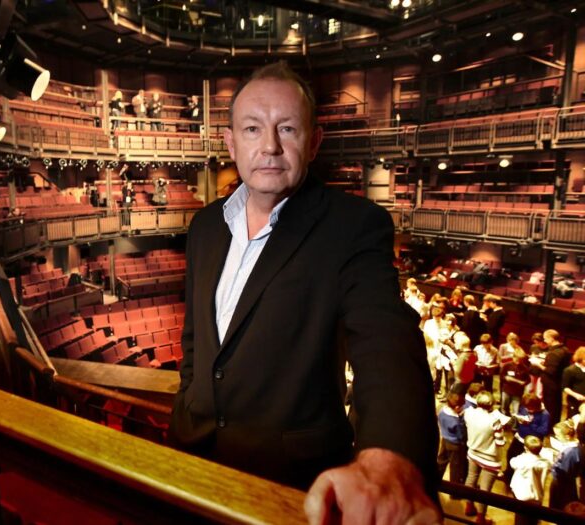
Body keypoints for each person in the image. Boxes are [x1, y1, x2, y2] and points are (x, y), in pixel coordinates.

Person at [168, 61, 439, 524]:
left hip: (291, 483)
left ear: (313, 142)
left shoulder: (353, 225)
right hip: (193, 457)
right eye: (253, 129)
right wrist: (189, 400)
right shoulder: (205, 225)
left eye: (287, 128)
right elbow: (197, 338)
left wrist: (389, 458)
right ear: (231, 142)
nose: (269, 146)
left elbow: (385, 337)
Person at [463, 391, 511, 525]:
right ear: (491, 405)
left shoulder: (468, 412)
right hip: (489, 459)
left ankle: (468, 506)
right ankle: (480, 518)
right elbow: (500, 442)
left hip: (473, 453)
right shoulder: (494, 421)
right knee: (485, 491)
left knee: (471, 479)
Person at [532, 329, 571, 425]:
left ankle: (548, 427)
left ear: (551, 338)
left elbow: (551, 371)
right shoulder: (565, 350)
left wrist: (538, 364)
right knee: (557, 406)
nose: (544, 341)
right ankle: (554, 424)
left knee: (550, 407)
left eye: (545, 338)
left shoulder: (555, 353)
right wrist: (545, 363)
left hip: (551, 385)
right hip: (558, 383)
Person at [508, 435, 549, 525]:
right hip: (537, 495)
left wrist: (523, 454)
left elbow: (512, 462)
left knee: (520, 518)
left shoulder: (522, 460)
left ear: (525, 448)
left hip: (522, 495)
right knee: (533, 519)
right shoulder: (545, 462)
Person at [437, 392, 467, 485]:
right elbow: (461, 435)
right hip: (454, 445)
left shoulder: (442, 411)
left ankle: (436, 480)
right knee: (455, 467)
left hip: (444, 440)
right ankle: (454, 491)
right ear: (457, 407)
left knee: (441, 461)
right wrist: (461, 419)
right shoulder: (456, 421)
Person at [562, 347, 585, 419]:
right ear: (581, 358)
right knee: (574, 421)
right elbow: (565, 387)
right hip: (574, 401)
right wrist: (576, 395)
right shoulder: (569, 370)